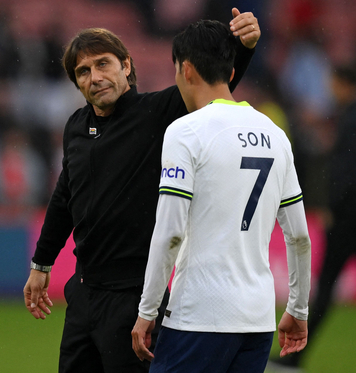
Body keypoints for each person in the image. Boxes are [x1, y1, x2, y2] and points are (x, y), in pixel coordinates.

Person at [23, 8, 261, 373]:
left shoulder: (156, 113)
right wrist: (42, 264)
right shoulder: (75, 126)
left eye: (103, 64)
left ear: (127, 66)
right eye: (83, 72)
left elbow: (211, 84)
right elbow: (64, 197)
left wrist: (243, 47)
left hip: (134, 298)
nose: (95, 77)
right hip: (83, 294)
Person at [131, 20, 311, 373]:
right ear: (231, 71)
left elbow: (170, 233)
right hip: (257, 320)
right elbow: (300, 235)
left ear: (185, 69)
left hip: (198, 317)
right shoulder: (276, 135)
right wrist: (298, 309)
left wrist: (147, 311)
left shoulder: (185, 131)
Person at [266, 65, 356, 373]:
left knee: (326, 290)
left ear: (344, 84)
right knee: (331, 291)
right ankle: (296, 354)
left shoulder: (354, 119)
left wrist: (334, 205)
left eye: (334, 83)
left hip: (350, 220)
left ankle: (295, 355)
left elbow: (348, 172)